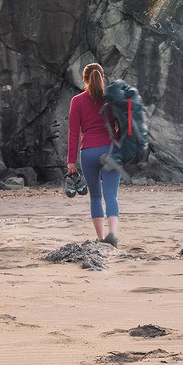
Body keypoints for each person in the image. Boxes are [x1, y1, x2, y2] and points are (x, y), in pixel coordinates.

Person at [67, 62, 121, 247]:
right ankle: (112, 234)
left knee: (96, 196)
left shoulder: (77, 101)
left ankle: (100, 238)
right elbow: (122, 125)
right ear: (102, 77)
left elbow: (74, 133)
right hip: (111, 151)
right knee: (111, 195)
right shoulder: (112, 99)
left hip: (88, 152)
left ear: (84, 79)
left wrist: (71, 162)